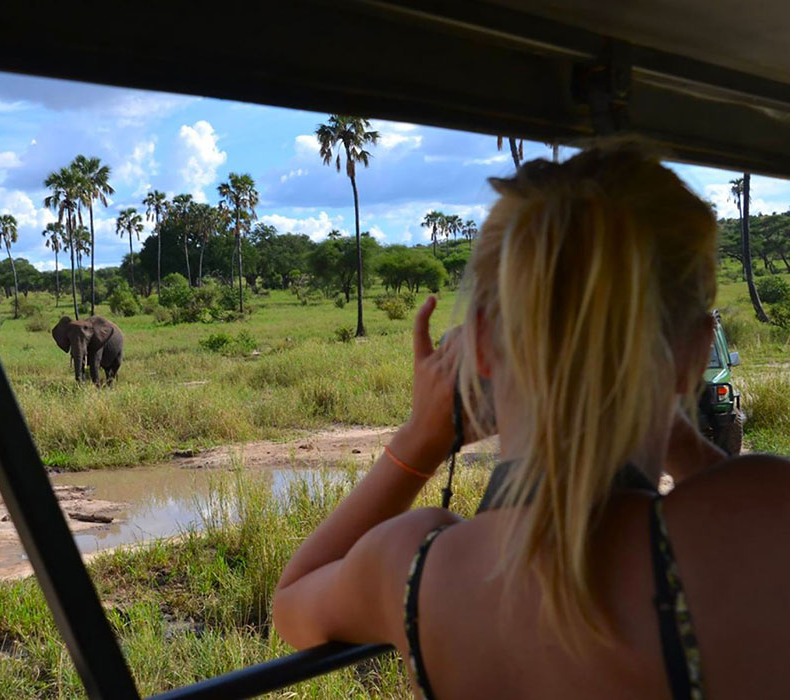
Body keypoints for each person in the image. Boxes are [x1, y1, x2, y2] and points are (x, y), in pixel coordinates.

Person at [273, 143, 790, 699]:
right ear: (692, 354)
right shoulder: (755, 515)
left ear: (478, 343)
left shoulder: (412, 565)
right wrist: (668, 419)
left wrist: (420, 440)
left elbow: (293, 601)